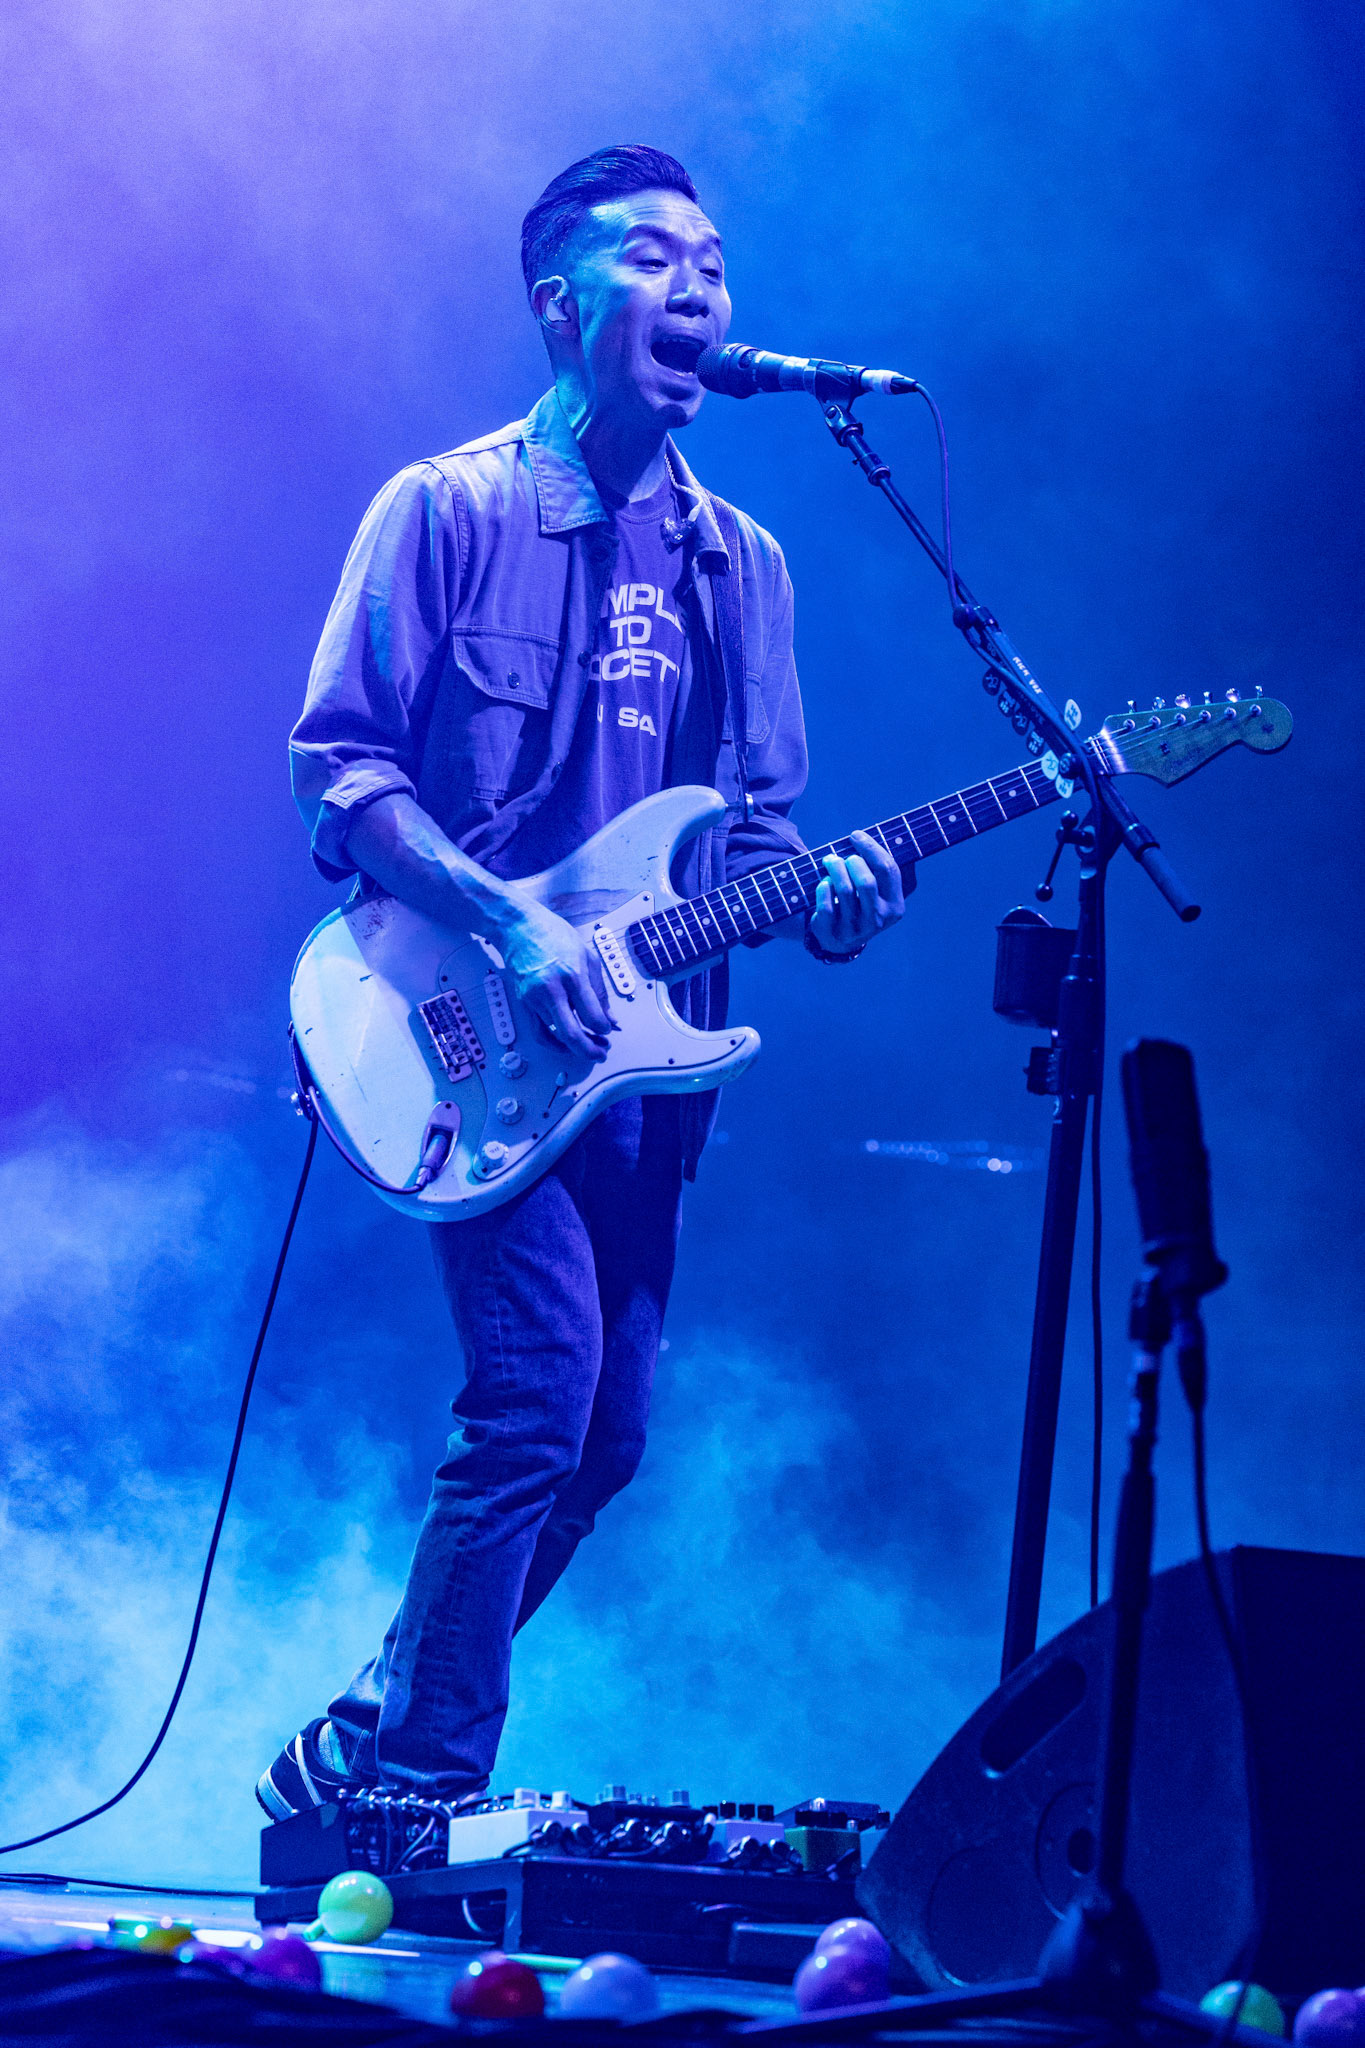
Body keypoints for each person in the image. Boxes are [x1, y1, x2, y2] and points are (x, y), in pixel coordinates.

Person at [258, 145, 908, 1818]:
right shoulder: (446, 508)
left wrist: (826, 903)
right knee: (535, 1401)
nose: (703, 289)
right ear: (559, 305)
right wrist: (511, 924)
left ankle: (370, 1727)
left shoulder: (742, 567)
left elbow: (757, 842)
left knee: (604, 1436)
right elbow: (340, 769)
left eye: (716, 263)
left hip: (632, 1065)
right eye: (656, 259)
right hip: (453, 1024)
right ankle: (412, 1792)